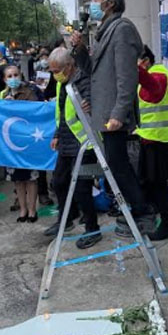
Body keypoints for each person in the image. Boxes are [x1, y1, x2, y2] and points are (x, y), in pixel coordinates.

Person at [87, 0, 154, 236]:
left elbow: (127, 78)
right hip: (104, 111)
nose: (91, 3)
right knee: (116, 164)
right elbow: (93, 72)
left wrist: (119, 113)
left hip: (113, 113)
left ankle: (142, 211)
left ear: (109, 3)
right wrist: (80, 48)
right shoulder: (104, 31)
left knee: (119, 164)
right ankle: (134, 209)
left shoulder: (122, 29)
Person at [45, 47, 102, 249]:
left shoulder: (83, 81)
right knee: (59, 182)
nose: (54, 74)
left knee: (82, 188)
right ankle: (66, 219)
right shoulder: (62, 83)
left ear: (69, 66)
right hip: (67, 143)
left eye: (56, 70)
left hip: (85, 144)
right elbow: (62, 113)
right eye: (51, 70)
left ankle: (92, 228)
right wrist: (57, 134)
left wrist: (92, 105)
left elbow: (94, 107)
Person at [134, 45, 168, 241]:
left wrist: (135, 70)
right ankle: (158, 217)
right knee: (151, 183)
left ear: (145, 61)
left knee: (159, 185)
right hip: (150, 138)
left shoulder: (159, 74)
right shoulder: (152, 74)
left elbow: (153, 92)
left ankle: (167, 223)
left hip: (157, 139)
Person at [0, 65, 41, 223]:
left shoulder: (30, 92)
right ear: (4, 79)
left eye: (16, 75)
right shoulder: (2, 94)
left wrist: (15, 106)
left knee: (31, 178)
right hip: (11, 143)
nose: (13, 78)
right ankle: (22, 209)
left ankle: (32, 210)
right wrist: (5, 104)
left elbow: (35, 112)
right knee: (18, 179)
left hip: (28, 141)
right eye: (9, 76)